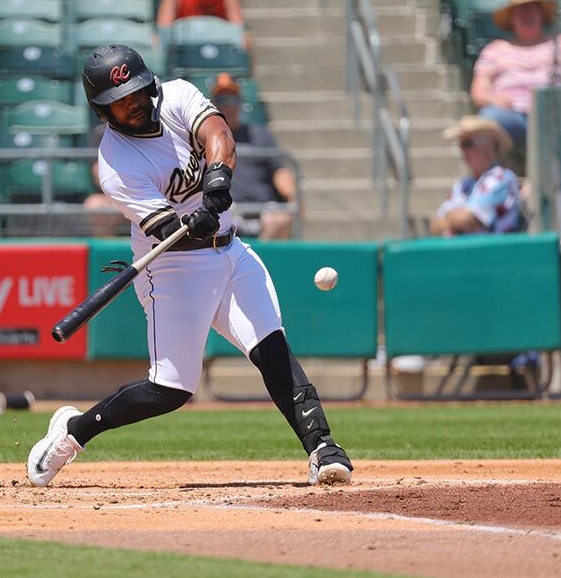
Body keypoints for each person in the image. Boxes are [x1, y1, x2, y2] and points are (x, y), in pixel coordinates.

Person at [27, 45, 353, 488]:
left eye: (137, 91)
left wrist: (217, 181)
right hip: (174, 269)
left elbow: (219, 134)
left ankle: (322, 448)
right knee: (171, 390)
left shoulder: (178, 95)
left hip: (233, 253)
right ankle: (75, 430)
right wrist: (191, 222)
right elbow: (165, 228)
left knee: (271, 349)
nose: (134, 103)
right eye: (120, 101)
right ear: (102, 110)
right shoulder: (115, 164)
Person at [471, 0, 561, 151]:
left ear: (541, 15)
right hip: (512, 116)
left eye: (531, 10)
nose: (526, 15)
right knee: (487, 119)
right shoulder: (495, 49)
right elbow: (478, 92)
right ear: (512, 18)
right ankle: (495, 176)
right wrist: (494, 100)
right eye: (520, 11)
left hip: (554, 116)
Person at [210, 73, 301, 240]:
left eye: (231, 100)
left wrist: (292, 195)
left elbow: (278, 169)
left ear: (239, 104)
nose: (227, 106)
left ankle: (263, 263)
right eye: (222, 101)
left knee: (281, 218)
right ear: (213, 105)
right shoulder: (208, 138)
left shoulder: (259, 135)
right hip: (227, 208)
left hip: (262, 209)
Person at [429, 116, 521, 236]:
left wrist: (447, 218)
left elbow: (465, 219)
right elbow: (434, 226)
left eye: (467, 143)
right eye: (460, 144)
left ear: (489, 146)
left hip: (494, 252)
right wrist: (452, 219)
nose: (461, 149)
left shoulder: (501, 177)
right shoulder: (463, 184)